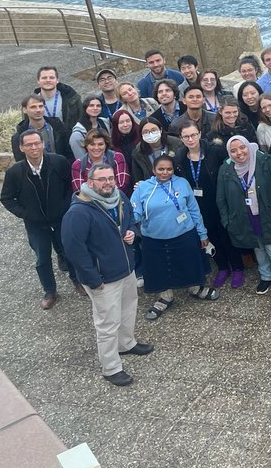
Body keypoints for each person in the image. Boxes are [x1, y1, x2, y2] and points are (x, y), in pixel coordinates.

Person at [61, 162, 150, 386]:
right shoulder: (79, 212)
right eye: (102, 179)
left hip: (125, 269)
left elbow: (130, 218)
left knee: (128, 310)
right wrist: (93, 280)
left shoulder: (119, 197)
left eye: (111, 178)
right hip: (103, 279)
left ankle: (126, 344)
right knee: (107, 323)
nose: (108, 183)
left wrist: (132, 231)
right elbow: (74, 249)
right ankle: (110, 367)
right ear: (90, 182)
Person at [130, 155, 218, 320]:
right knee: (160, 268)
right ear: (153, 170)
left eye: (168, 169)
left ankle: (195, 289)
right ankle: (166, 296)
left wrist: (202, 233)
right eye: (161, 169)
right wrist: (129, 221)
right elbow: (135, 212)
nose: (165, 172)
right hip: (154, 238)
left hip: (184, 233)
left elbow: (193, 210)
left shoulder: (182, 183)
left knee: (190, 263)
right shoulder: (142, 188)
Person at [0, 129, 77, 308]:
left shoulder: (58, 162)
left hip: (60, 219)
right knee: (42, 258)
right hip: (36, 224)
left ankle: (77, 280)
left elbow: (70, 187)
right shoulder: (15, 172)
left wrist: (65, 208)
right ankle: (50, 291)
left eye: (37, 143)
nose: (34, 147)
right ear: (21, 148)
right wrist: (26, 214)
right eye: (29, 144)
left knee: (68, 251)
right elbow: (6, 198)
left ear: (43, 144)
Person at [217, 136, 271, 298]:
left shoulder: (265, 160)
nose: (239, 153)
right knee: (258, 249)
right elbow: (221, 198)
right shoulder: (225, 169)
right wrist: (227, 221)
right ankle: (266, 275)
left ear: (248, 146)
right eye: (233, 150)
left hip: (269, 215)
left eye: (242, 147)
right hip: (243, 219)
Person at [174, 121, 244, 289]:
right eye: (186, 136)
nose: (190, 139)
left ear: (199, 133)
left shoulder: (215, 151)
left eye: (193, 135)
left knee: (227, 235)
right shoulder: (179, 157)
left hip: (219, 200)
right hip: (197, 205)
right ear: (181, 138)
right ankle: (222, 267)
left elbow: (229, 171)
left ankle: (238, 268)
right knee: (210, 236)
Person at [12, 94, 67, 161]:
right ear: (24, 110)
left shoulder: (59, 127)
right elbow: (21, 162)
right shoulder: (18, 137)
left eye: (41, 106)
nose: (38, 110)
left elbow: (69, 153)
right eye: (33, 107)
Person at [130, 117, 180, 185]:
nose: (150, 134)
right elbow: (137, 178)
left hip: (176, 184)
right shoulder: (137, 153)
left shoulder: (176, 144)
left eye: (153, 130)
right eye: (146, 132)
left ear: (161, 130)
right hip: (152, 188)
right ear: (141, 135)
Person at [34, 65, 80, 133]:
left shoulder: (72, 99)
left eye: (52, 77)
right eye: (44, 78)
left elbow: (82, 120)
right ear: (38, 81)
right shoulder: (31, 103)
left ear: (57, 80)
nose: (48, 80)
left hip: (67, 140)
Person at [68, 95, 109, 160]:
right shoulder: (77, 134)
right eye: (91, 105)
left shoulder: (105, 123)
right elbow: (81, 159)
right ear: (85, 108)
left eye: (98, 106)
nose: (95, 108)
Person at [109, 109, 141, 190]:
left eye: (128, 121)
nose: (125, 124)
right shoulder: (112, 145)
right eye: (121, 122)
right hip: (124, 185)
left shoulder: (141, 138)